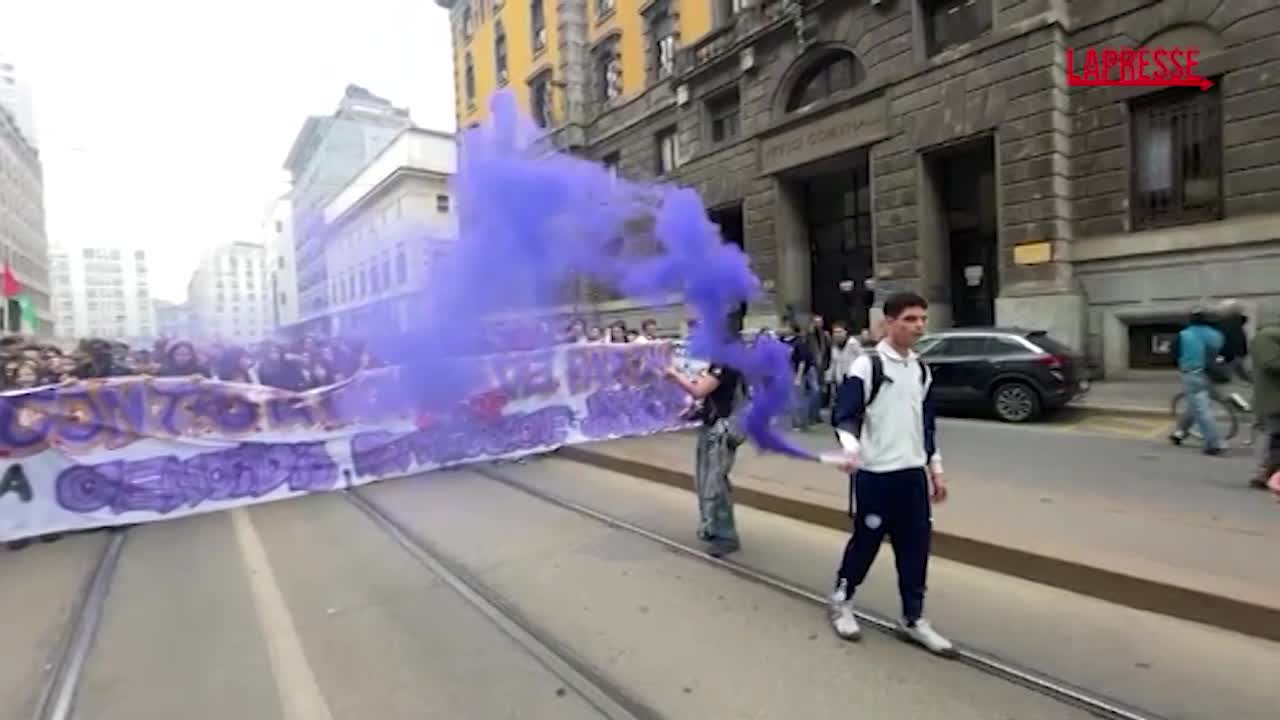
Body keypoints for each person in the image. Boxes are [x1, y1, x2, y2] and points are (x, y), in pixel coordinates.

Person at [827, 291, 953, 655]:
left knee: (915, 550)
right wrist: (851, 449)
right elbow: (844, 414)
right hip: (875, 476)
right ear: (888, 323)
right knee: (865, 543)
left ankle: (913, 619)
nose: (919, 326)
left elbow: (926, 426)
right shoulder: (868, 366)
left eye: (922, 319)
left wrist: (936, 470)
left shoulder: (921, 369)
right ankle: (842, 599)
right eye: (910, 319)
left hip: (912, 477)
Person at [664, 314, 745, 558]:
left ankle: (726, 536)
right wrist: (694, 412)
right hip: (712, 425)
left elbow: (700, 390)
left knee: (715, 483)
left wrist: (674, 375)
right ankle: (712, 526)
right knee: (706, 481)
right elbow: (712, 396)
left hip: (722, 430)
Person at [1169, 308, 1227, 455]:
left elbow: (1174, 353)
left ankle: (1213, 444)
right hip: (1213, 374)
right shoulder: (1216, 334)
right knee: (1194, 404)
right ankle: (1180, 432)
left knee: (1201, 409)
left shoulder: (1184, 335)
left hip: (1193, 374)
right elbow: (1225, 353)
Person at [1250, 307, 1280, 489]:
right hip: (1272, 396)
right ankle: (1262, 473)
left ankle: (1266, 472)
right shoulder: (1266, 337)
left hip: (1272, 394)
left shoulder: (1267, 336)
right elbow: (1270, 364)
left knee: (1272, 435)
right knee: (1270, 434)